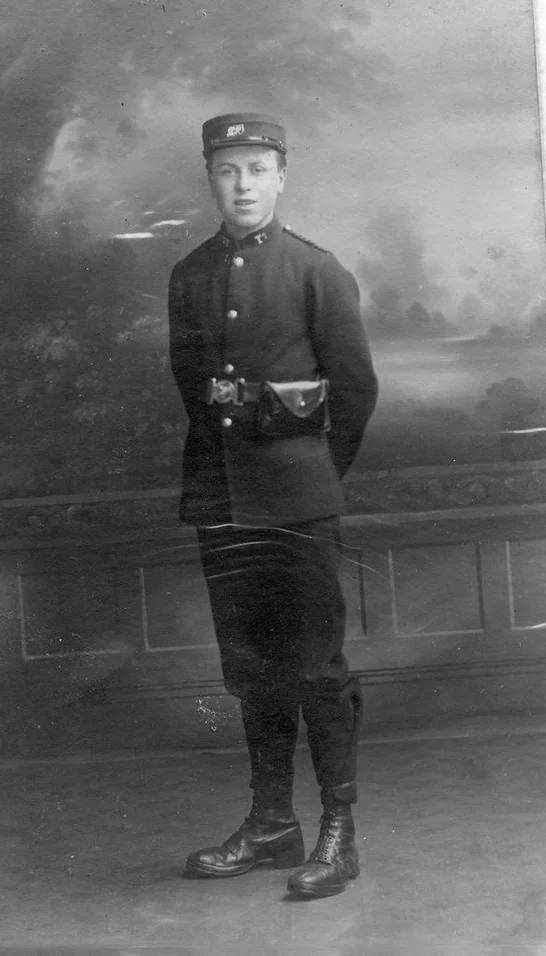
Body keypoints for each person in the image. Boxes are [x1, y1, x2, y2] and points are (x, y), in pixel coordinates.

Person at [168, 113, 377, 898]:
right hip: (223, 500)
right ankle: (271, 823)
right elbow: (191, 387)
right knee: (252, 668)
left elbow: (355, 392)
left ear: (282, 177)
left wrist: (313, 478)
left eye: (257, 169)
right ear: (211, 180)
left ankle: (338, 834)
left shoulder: (316, 272)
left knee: (317, 669)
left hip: (298, 504)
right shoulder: (189, 275)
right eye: (228, 170)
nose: (243, 185)